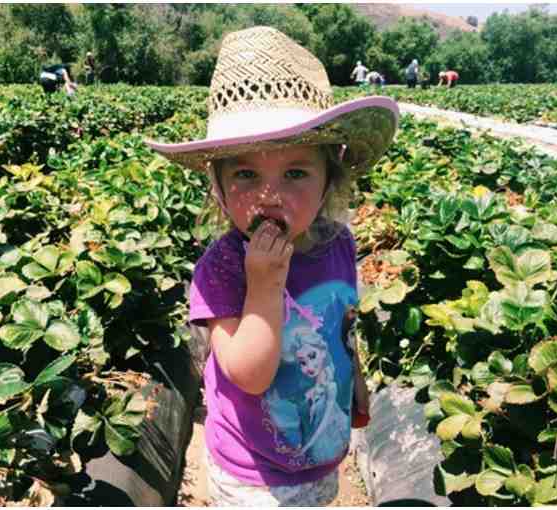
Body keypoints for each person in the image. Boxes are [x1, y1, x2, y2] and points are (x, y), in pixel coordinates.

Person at [146, 26, 398, 506]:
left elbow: (342, 327)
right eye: (246, 174)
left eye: (295, 173)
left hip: (322, 451)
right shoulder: (222, 268)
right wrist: (262, 284)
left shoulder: (339, 244)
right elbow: (248, 373)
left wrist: (356, 385)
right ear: (219, 188)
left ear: (328, 182)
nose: (270, 195)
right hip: (253, 474)